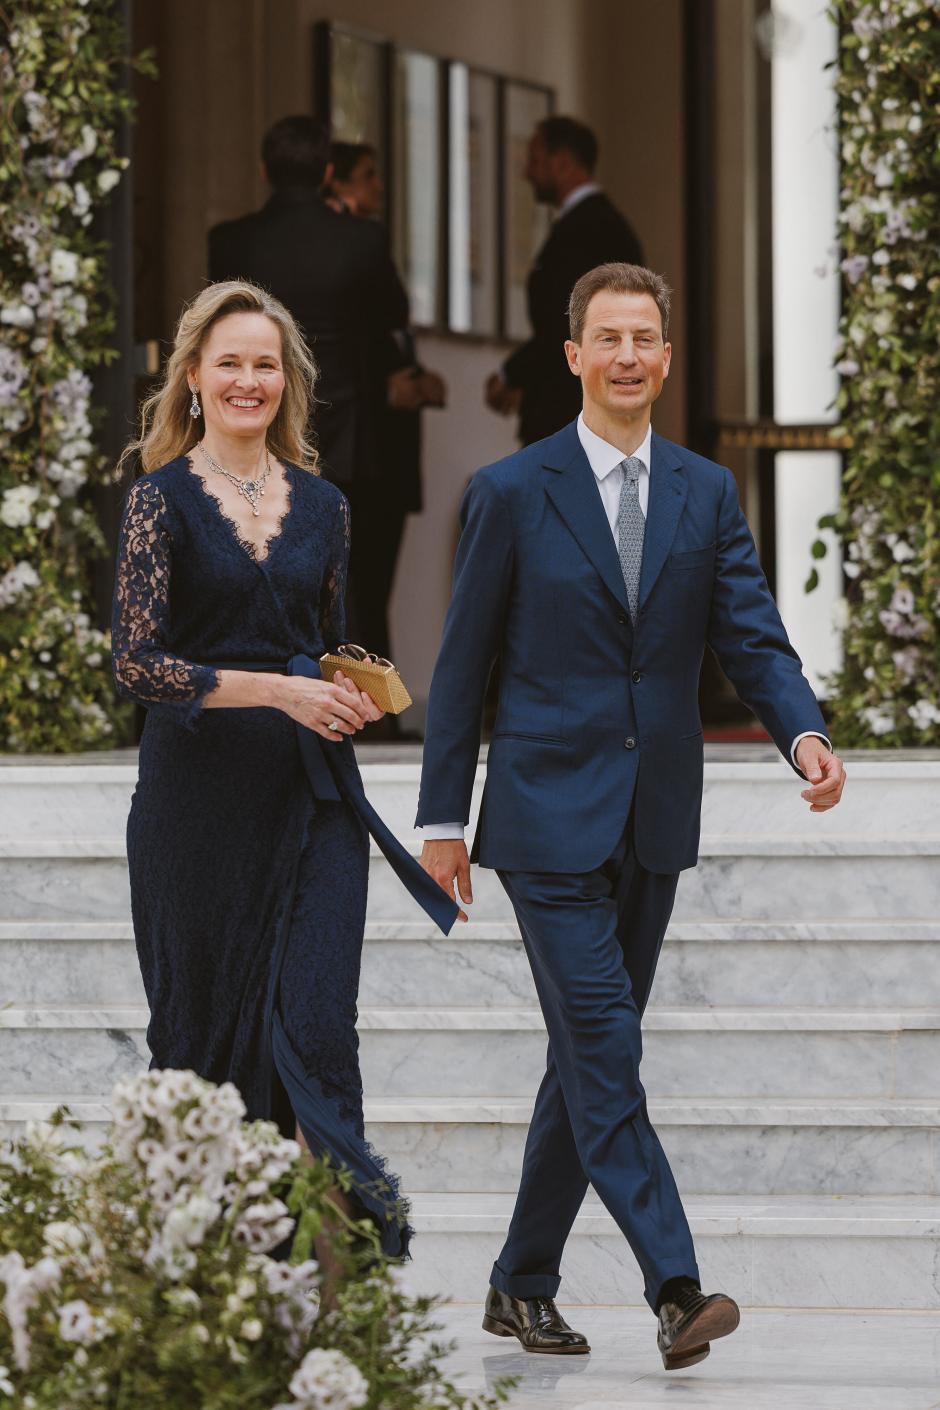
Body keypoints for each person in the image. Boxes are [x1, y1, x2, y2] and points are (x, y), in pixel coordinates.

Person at [417, 263, 846, 1367]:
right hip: (542, 822)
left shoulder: (704, 493)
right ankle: (675, 1285)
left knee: (583, 1056)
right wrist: (441, 820)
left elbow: (748, 632)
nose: (624, 356)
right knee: (605, 1044)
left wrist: (801, 731)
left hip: (653, 817)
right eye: (604, 336)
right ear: (571, 355)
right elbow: (460, 671)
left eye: (642, 338)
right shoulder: (511, 492)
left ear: (664, 356)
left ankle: (519, 1284)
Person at [111, 281, 457, 1294]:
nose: (248, 380)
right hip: (195, 812)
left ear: (287, 381)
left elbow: (324, 643)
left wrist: (345, 690)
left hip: (312, 809)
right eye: (229, 362)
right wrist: (277, 689)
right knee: (198, 1040)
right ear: (192, 376)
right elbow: (136, 665)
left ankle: (344, 1297)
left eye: (266, 364)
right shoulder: (156, 500)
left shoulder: (328, 506)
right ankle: (208, 1288)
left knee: (315, 1031)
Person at [207, 117, 404, 500]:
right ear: (327, 173)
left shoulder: (229, 241)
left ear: (264, 172)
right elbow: (393, 314)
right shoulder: (363, 239)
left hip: (258, 408)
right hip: (342, 422)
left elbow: (219, 323)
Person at [323, 140, 447, 663]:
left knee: (375, 584)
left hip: (388, 455)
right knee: (357, 582)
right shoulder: (347, 254)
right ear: (336, 181)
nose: (379, 186)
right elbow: (366, 340)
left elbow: (391, 331)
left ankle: (383, 700)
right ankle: (371, 702)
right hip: (358, 446)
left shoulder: (371, 247)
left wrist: (418, 379)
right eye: (368, 175)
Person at [486, 115, 644, 446]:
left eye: (535, 160)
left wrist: (512, 374)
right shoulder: (600, 225)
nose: (527, 173)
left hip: (572, 415)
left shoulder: (585, 230)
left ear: (562, 164)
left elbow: (569, 322)